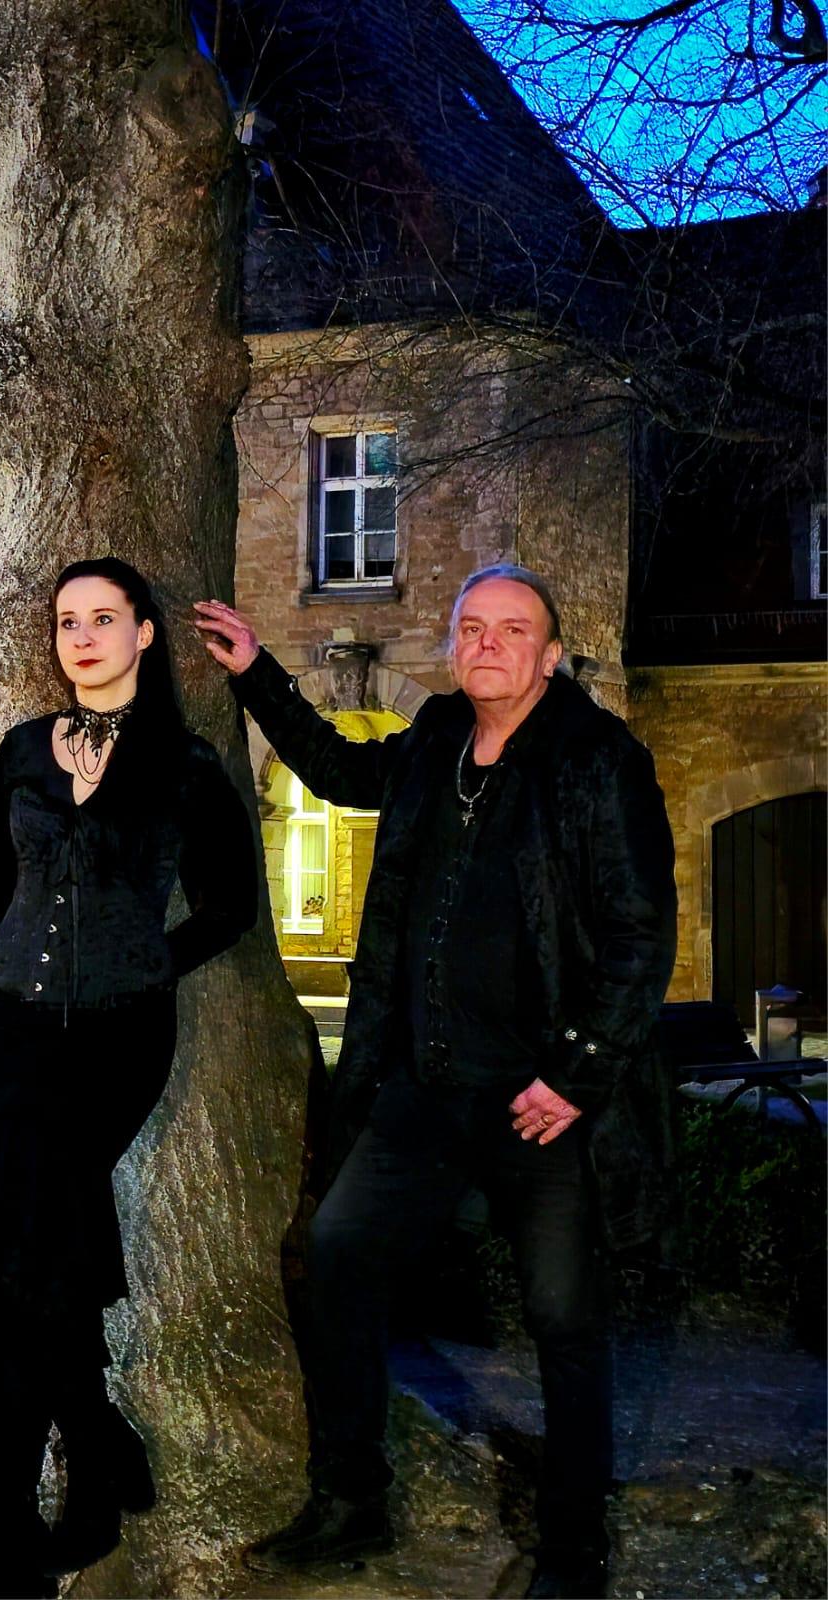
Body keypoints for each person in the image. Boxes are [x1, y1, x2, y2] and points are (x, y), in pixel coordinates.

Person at [195, 565, 677, 1600]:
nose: (487, 643)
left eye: (513, 629)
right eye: (472, 626)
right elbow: (336, 768)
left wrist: (577, 1074)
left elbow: (641, 935)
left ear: (550, 654)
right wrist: (257, 673)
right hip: (425, 1086)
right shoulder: (435, 739)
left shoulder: (598, 760)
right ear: (453, 643)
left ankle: (572, 1546)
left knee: (564, 1319)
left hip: (542, 1102)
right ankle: (352, 1501)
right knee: (337, 1255)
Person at [0, 558, 257, 1600]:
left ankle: (37, 1520)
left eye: (102, 618)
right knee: (27, 1268)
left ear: (143, 633)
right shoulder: (21, 749)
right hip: (3, 1033)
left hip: (115, 1041)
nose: (80, 637)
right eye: (67, 621)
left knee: (30, 1259)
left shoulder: (186, 764)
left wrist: (148, 963)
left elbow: (230, 906)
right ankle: (76, 1472)